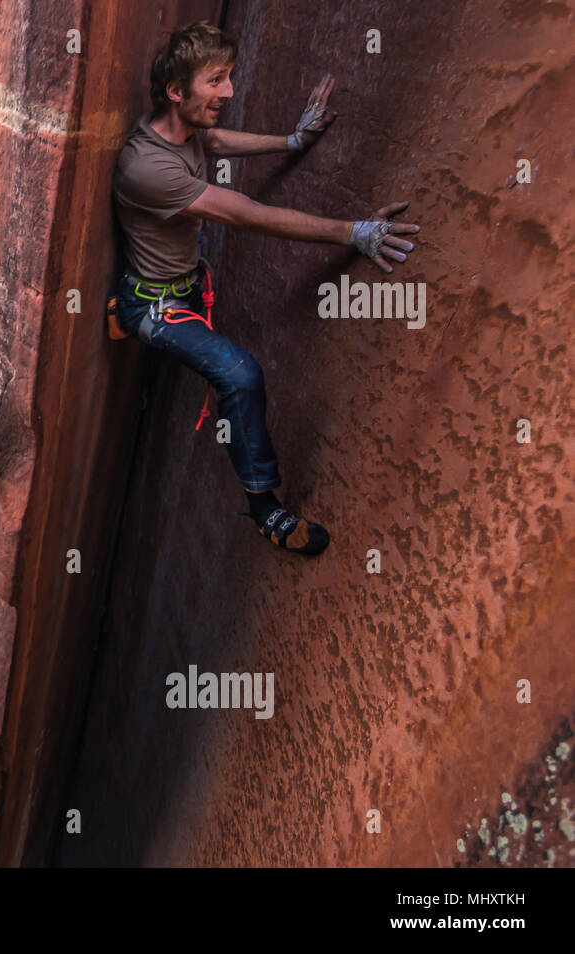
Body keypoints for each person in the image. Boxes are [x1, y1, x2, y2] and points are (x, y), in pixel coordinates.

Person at [112, 19, 420, 556]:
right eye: (217, 81)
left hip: (183, 281)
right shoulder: (146, 168)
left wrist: (292, 139)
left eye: (230, 77)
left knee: (227, 359)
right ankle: (264, 508)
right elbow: (251, 215)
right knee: (240, 373)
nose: (229, 92)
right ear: (176, 91)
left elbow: (215, 139)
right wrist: (354, 232)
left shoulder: (177, 128)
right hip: (156, 305)